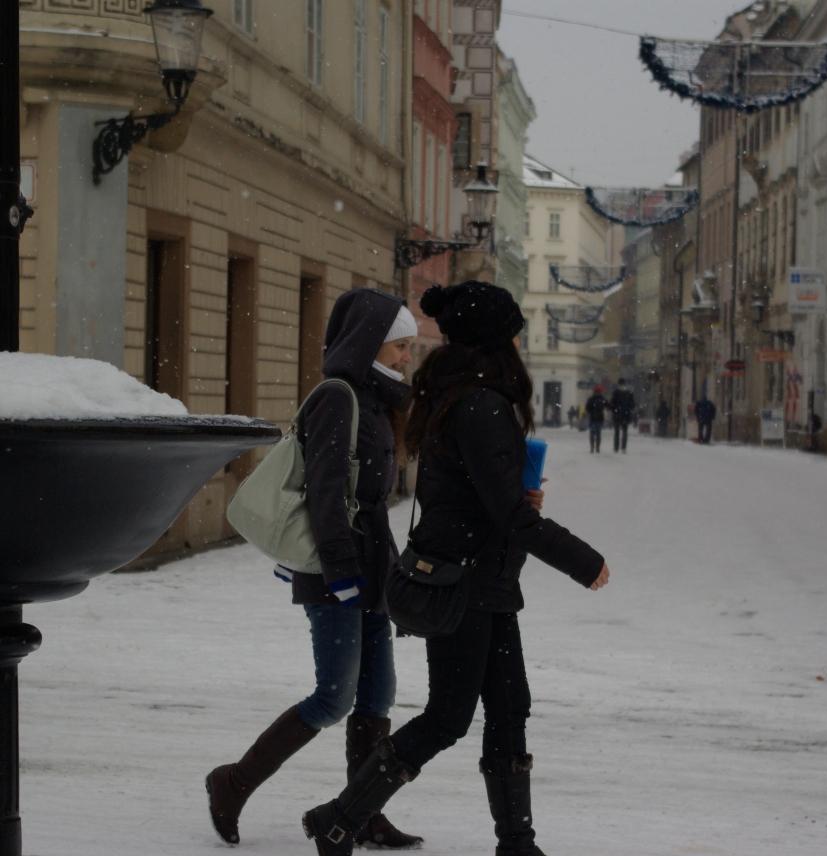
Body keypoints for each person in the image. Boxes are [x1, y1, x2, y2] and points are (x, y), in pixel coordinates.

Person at [302, 281, 611, 856]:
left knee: (510, 709)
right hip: (463, 581)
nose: (517, 344)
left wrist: (514, 496)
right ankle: (339, 818)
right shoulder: (480, 405)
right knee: (447, 717)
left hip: (485, 579)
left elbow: (471, 495)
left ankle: (517, 843)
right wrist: (581, 559)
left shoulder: (463, 396)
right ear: (494, 340)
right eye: (512, 334)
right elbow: (503, 512)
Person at [206, 289, 423, 849]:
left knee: (377, 698)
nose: (407, 357)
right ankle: (232, 783)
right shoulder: (338, 398)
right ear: (371, 343)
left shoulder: (379, 401)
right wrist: (341, 571)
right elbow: (325, 492)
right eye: (400, 346)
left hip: (372, 569)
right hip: (336, 571)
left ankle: (360, 813)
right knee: (334, 697)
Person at [609, 378, 636, 453]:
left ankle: (616, 447)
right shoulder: (629, 393)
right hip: (626, 415)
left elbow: (612, 404)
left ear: (618, 384)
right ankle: (623, 447)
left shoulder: (616, 393)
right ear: (625, 384)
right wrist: (629, 409)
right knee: (625, 432)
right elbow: (632, 405)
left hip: (617, 415)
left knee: (617, 432)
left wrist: (614, 410)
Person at [584, 385, 608, 453]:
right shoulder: (602, 399)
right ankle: (597, 447)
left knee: (592, 433)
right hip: (599, 418)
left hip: (593, 418)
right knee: (598, 434)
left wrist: (591, 412)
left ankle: (592, 447)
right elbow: (607, 405)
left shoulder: (591, 399)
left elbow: (587, 408)